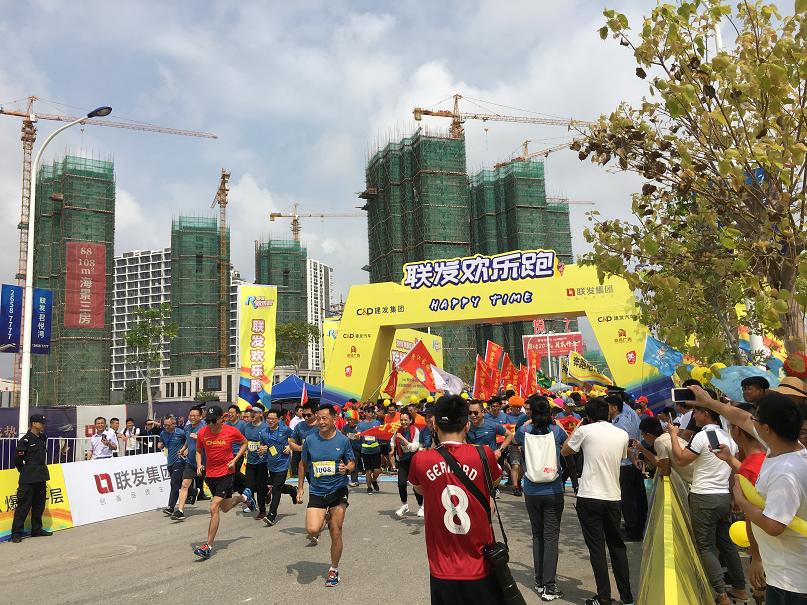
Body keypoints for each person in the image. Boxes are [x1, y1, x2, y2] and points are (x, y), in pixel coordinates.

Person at [409, 394, 505, 605]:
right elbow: (494, 482)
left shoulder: (421, 459)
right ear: (467, 424)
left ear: (435, 424)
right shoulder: (484, 454)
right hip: (480, 563)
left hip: (442, 567)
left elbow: (419, 489)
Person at [731, 393, 807, 605]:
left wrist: (743, 501)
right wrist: (708, 401)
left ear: (766, 429)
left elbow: (774, 526)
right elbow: (741, 418)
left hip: (791, 583)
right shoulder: (790, 450)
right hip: (786, 576)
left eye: (755, 418)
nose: (750, 423)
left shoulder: (785, 473)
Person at [668, 407, 748, 605]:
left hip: (703, 497)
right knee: (727, 544)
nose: (693, 416)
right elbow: (732, 469)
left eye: (696, 412)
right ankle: (740, 588)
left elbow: (680, 459)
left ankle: (721, 594)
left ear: (705, 413)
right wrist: (733, 496)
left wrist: (673, 435)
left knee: (705, 545)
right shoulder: (729, 437)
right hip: (723, 496)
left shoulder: (701, 437)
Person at [561, 397, 634, 605]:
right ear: (608, 413)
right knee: (617, 547)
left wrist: (578, 426)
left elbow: (565, 450)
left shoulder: (585, 430)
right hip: (612, 496)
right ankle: (627, 597)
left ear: (588, 416)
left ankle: (603, 597)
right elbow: (621, 456)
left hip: (589, 496)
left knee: (597, 549)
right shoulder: (621, 434)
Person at [296, 404, 356, 588]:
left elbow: (352, 462)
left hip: (338, 490)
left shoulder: (343, 440)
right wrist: (300, 488)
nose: (320, 422)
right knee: (313, 530)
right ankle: (327, 516)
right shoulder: (310, 440)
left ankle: (334, 569)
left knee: (336, 531)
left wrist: (347, 468)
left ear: (334, 419)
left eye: (324, 418)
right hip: (317, 490)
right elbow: (302, 464)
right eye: (318, 418)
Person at [517, 396, 566, 601]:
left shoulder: (524, 430)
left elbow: (518, 436)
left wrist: (530, 420)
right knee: (551, 537)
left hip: (531, 490)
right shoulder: (556, 431)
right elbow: (568, 444)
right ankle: (549, 586)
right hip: (553, 489)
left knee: (537, 535)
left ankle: (539, 581)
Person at [192, 405, 253, 559]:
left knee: (214, 507)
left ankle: (208, 546)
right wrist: (199, 464)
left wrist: (235, 459)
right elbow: (198, 451)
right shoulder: (203, 432)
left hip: (226, 473)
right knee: (225, 507)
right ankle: (244, 497)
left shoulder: (231, 431)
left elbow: (244, 443)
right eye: (208, 421)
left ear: (222, 419)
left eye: (214, 421)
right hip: (210, 475)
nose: (211, 424)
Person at [607, 394, 647, 541]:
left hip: (626, 464)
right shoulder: (624, 418)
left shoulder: (620, 423)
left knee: (628, 500)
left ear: (614, 407)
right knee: (633, 498)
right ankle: (634, 527)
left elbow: (627, 444)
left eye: (607, 406)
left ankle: (633, 530)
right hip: (630, 462)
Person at [11, 414, 52, 543]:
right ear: (34, 423)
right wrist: (25, 471)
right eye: (41, 423)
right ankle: (16, 533)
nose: (44, 425)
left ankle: (36, 529)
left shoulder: (43, 437)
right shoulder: (25, 440)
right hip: (28, 478)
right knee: (23, 506)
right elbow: (18, 461)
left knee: (39, 505)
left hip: (41, 476)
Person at [261, 408, 299, 526]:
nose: (270, 421)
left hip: (283, 464)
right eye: (268, 418)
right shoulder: (263, 432)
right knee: (279, 487)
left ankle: (272, 515)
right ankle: (292, 490)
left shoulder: (285, 429)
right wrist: (261, 450)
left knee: (276, 489)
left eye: (273, 419)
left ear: (279, 419)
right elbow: (262, 447)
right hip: (271, 464)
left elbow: (295, 438)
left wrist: (290, 446)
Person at [634, 416, 693, 486]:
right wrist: (642, 449)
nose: (643, 439)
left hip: (695, 478)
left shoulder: (659, 441)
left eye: (643, 436)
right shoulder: (667, 435)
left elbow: (666, 470)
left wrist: (659, 477)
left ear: (648, 435)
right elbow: (661, 462)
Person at [466, 400, 513, 487]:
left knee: (490, 488)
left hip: (489, 463)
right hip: (472, 464)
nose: (472, 415)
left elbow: (509, 435)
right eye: (470, 412)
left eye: (476, 413)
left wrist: (499, 450)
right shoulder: (465, 426)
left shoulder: (493, 425)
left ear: (483, 412)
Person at [171, 406, 205, 521]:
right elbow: (188, 439)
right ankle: (180, 511)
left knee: (214, 485)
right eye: (191, 415)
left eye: (195, 415)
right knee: (184, 484)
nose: (192, 417)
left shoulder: (205, 427)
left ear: (201, 416)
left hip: (205, 462)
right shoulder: (187, 427)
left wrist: (199, 437)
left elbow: (210, 440)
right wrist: (183, 448)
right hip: (191, 462)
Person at [390, 410, 423, 518]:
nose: (403, 422)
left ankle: (421, 506)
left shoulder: (415, 431)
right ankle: (404, 506)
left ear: (411, 420)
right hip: (403, 461)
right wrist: (392, 449)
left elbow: (414, 448)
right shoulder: (398, 431)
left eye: (405, 420)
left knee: (416, 485)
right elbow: (392, 440)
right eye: (401, 420)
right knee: (401, 484)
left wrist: (403, 439)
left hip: (414, 461)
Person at [157, 415, 187, 516]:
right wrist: (160, 445)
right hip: (170, 461)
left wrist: (185, 449)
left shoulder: (181, 432)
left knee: (174, 483)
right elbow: (161, 443)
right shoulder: (163, 433)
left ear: (174, 424)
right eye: (164, 425)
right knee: (178, 483)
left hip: (180, 460)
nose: (166, 427)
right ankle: (193, 491)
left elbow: (188, 442)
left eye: (168, 425)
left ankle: (171, 507)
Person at [243, 407, 269, 518]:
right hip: (250, 461)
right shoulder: (246, 426)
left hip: (262, 462)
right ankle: (252, 503)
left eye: (255, 413)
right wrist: (245, 448)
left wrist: (265, 448)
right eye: (251, 412)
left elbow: (271, 441)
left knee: (260, 487)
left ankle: (262, 510)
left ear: (261, 414)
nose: (252, 414)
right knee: (249, 485)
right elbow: (244, 441)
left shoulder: (265, 427)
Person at [290, 401, 320, 477]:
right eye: (303, 415)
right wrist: (300, 448)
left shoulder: (323, 425)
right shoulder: (299, 426)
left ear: (316, 413)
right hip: (306, 465)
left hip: (321, 464)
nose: (306, 417)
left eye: (309, 415)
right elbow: (291, 443)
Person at [357, 405, 382, 495]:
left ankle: (374, 480)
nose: (371, 413)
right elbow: (358, 434)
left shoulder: (377, 422)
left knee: (377, 470)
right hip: (365, 450)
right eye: (369, 411)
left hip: (376, 450)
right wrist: (357, 436)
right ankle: (369, 487)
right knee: (368, 471)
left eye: (372, 412)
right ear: (365, 413)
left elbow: (381, 432)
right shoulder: (361, 424)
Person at [224, 404, 248, 494]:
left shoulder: (243, 424)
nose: (230, 414)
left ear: (238, 414)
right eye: (229, 413)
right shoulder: (225, 425)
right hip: (227, 453)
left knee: (235, 471)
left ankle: (250, 483)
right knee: (231, 472)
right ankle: (244, 490)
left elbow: (247, 438)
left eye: (232, 413)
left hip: (238, 452)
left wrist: (246, 450)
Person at [342, 411, 364, 487]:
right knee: (354, 462)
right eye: (348, 419)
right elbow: (343, 436)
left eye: (352, 419)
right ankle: (355, 481)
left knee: (368, 464)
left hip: (364, 447)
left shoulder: (360, 426)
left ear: (356, 419)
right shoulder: (345, 427)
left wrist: (359, 436)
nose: (350, 421)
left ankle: (372, 476)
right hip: (354, 448)